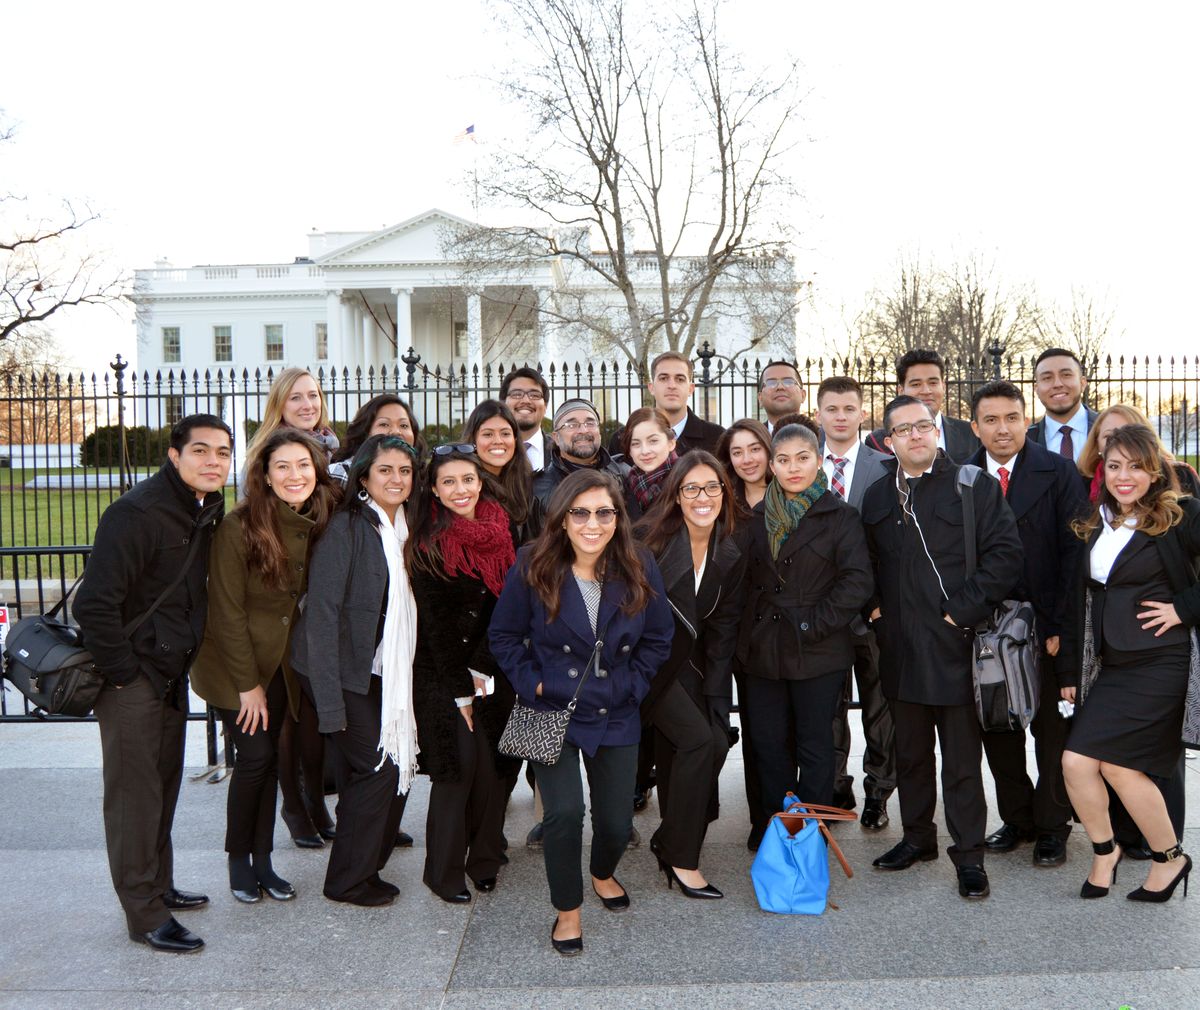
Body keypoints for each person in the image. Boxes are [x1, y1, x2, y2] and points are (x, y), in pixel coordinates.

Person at [490, 469, 673, 956]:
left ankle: (602, 871)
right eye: (581, 513)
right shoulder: (533, 562)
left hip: (616, 708)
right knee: (565, 813)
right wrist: (537, 682)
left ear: (618, 517)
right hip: (550, 708)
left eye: (604, 513)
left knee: (616, 823)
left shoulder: (639, 562)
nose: (593, 524)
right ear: (563, 518)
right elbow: (503, 637)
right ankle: (567, 910)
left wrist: (630, 685)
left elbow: (659, 639)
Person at [74, 414, 233, 953]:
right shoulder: (135, 514)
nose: (214, 461)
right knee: (133, 800)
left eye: (223, 453)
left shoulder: (205, 508)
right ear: (174, 455)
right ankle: (143, 913)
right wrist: (124, 676)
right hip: (133, 679)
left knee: (161, 789)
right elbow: (93, 605)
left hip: (168, 673)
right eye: (202, 451)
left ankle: (157, 886)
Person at [862, 395, 1022, 900]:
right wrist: (871, 607)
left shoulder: (972, 486)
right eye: (903, 429)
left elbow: (1006, 555)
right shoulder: (876, 496)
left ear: (936, 431)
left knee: (959, 762)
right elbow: (861, 562)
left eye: (923, 426)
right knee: (908, 756)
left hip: (957, 647)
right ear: (888, 441)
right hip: (901, 650)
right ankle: (917, 839)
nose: (915, 435)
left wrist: (963, 612)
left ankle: (969, 857)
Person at [190, 429, 340, 903]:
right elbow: (226, 611)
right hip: (239, 667)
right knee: (254, 761)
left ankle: (264, 863)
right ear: (265, 475)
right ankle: (239, 862)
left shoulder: (315, 518)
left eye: (303, 465)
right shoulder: (240, 526)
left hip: (284, 667)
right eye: (283, 466)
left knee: (271, 762)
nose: (294, 475)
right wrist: (247, 685)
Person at [1061, 424, 1199, 903]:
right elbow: (1077, 598)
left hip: (1162, 661)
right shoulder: (1096, 519)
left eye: (1136, 467)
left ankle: (1169, 858)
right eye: (1114, 466)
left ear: (1155, 469)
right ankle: (1106, 851)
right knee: (1077, 763)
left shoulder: (1180, 516)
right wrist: (1068, 673)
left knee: (1121, 767)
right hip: (1112, 665)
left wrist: (1184, 608)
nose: (1125, 477)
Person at [291, 434, 419, 906]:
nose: (396, 479)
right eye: (385, 470)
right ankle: (345, 880)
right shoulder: (346, 528)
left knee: (399, 764)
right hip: (336, 669)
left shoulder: (406, 528)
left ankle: (366, 867)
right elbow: (320, 617)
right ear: (364, 476)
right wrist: (329, 705)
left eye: (404, 471)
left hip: (385, 669)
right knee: (379, 766)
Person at [964, 381, 1087, 867]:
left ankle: (1053, 826)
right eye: (990, 420)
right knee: (999, 726)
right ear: (975, 426)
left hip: (1044, 625)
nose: (1002, 429)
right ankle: (1017, 818)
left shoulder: (1057, 472)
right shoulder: (963, 476)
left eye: (1012, 418)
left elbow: (1073, 556)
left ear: (1026, 420)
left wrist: (1059, 625)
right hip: (986, 628)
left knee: (1049, 731)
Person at [738, 422, 873, 838]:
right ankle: (776, 829)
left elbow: (857, 581)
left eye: (802, 457)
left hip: (818, 648)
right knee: (768, 745)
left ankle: (808, 832)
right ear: (771, 466)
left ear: (818, 460)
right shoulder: (754, 517)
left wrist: (814, 624)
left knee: (816, 747)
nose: (793, 467)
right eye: (783, 460)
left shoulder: (841, 516)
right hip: (762, 651)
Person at [407, 444, 517, 903]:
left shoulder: (501, 531)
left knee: (493, 770)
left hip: (494, 668)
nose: (460, 490)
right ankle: (443, 870)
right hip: (444, 675)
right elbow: (435, 628)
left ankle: (485, 860)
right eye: (448, 482)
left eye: (467, 480)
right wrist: (462, 690)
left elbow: (513, 609)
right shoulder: (428, 544)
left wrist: (484, 668)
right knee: (458, 769)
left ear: (480, 482)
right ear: (433, 489)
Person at [634, 450, 745, 898]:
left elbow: (722, 633)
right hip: (647, 666)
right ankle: (682, 858)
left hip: (692, 667)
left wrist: (718, 702)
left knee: (715, 739)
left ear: (724, 492)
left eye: (712, 487)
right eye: (692, 488)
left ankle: (668, 837)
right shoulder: (648, 542)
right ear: (676, 495)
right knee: (698, 741)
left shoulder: (730, 550)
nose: (703, 497)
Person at [245, 367, 338, 847]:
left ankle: (316, 798)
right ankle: (293, 805)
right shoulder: (268, 456)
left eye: (314, 395)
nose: (307, 404)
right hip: (282, 604)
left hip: (319, 603)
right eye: (296, 397)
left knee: (315, 715)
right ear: (279, 404)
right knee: (286, 716)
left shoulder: (329, 452)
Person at [815, 376, 896, 829]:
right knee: (827, 709)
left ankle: (879, 791)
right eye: (832, 409)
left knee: (879, 708)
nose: (841, 416)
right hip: (823, 614)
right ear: (819, 414)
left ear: (862, 413)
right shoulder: (802, 466)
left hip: (872, 613)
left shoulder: (885, 467)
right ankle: (835, 790)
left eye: (849, 408)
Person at [865, 349, 980, 462]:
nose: (926, 391)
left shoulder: (971, 434)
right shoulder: (877, 442)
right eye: (916, 384)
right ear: (901, 391)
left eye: (933, 383)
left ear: (943, 387)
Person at [607, 352, 724, 456]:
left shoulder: (717, 438)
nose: (672, 386)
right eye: (663, 378)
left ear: (691, 389)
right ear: (651, 388)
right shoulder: (623, 438)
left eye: (680, 379)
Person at [1078, 405, 1200, 503]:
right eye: (1109, 436)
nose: (1120, 443)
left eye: (1129, 434)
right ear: (1096, 442)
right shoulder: (1083, 484)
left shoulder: (1181, 475)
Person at [463, 399, 543, 544]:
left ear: (515, 438)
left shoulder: (528, 484)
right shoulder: (465, 489)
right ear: (473, 439)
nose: (498, 441)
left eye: (505, 434)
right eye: (488, 434)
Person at [532, 397, 630, 505]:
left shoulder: (624, 475)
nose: (583, 430)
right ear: (556, 438)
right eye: (572, 425)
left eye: (590, 423)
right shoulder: (537, 489)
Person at [331, 394, 425, 481]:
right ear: (365, 431)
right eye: (384, 424)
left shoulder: (425, 478)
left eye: (404, 425)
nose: (396, 431)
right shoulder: (341, 474)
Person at [1026, 347, 1097, 462]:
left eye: (1066, 375)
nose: (1057, 384)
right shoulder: (1025, 441)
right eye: (1047, 378)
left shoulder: (1109, 430)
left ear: (1083, 383)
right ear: (1037, 389)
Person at [621, 406, 679, 520]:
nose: (645, 451)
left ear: (671, 443)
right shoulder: (626, 484)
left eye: (653, 441)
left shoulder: (685, 479)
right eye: (636, 444)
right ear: (630, 451)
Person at [501, 366, 552, 473]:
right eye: (516, 394)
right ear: (503, 403)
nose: (525, 400)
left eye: (534, 395)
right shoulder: (488, 452)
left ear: (545, 406)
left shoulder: (560, 452)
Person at [715, 418, 773, 510]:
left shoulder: (788, 498)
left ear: (768, 450)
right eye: (737, 453)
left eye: (755, 449)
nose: (747, 460)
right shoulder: (723, 501)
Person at [757, 361, 807, 434]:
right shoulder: (751, 438)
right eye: (771, 382)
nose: (780, 387)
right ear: (760, 398)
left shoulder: (823, 438)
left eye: (788, 381)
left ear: (803, 395)